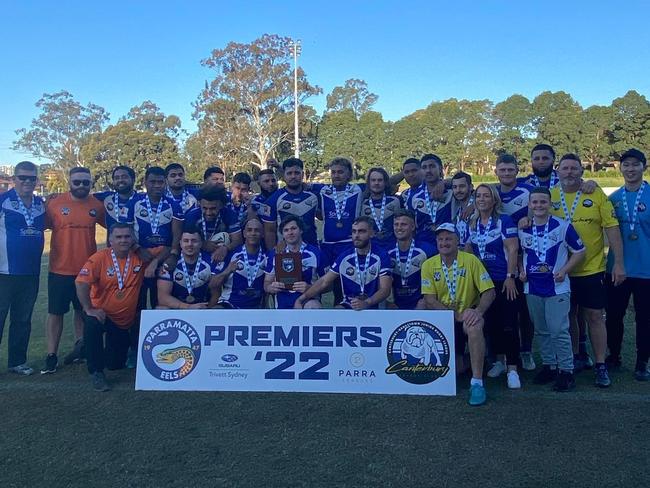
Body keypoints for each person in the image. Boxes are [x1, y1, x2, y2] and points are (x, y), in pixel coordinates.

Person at [551, 154, 625, 387]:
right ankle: (572, 359)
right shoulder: (550, 197)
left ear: (581, 172)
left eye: (574, 168)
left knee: (594, 317)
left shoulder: (595, 193)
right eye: (565, 168)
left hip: (591, 269)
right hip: (561, 271)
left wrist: (619, 263)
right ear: (558, 171)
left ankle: (601, 364)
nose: (570, 172)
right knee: (568, 317)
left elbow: (611, 229)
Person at [421, 223, 496, 406]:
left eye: (448, 239)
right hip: (442, 316)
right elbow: (430, 299)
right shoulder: (428, 264)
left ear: (457, 241)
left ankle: (477, 383)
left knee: (475, 325)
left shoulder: (470, 260)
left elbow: (489, 292)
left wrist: (477, 311)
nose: (444, 242)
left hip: (467, 314)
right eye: (440, 239)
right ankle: (469, 362)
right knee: (456, 370)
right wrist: (452, 315)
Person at [519, 187, 585, 391]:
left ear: (550, 204)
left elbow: (580, 251)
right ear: (529, 205)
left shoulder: (563, 226)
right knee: (541, 330)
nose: (539, 206)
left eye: (543, 202)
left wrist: (565, 270)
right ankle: (549, 365)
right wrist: (521, 270)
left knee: (558, 330)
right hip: (532, 287)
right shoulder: (523, 228)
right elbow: (520, 253)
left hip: (557, 287)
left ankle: (567, 370)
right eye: (535, 202)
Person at [41, 167, 106, 374]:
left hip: (87, 271)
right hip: (59, 269)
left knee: (83, 311)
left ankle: (81, 348)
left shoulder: (97, 205)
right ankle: (51, 355)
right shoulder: (54, 202)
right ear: (69, 181)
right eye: (77, 182)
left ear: (91, 183)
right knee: (55, 313)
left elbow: (114, 227)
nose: (81, 186)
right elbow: (39, 227)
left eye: (85, 182)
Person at [75, 223, 145, 391]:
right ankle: (96, 372)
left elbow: (162, 254)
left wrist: (156, 262)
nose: (123, 240)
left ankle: (84, 349)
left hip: (122, 322)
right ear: (110, 240)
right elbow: (81, 282)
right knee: (91, 322)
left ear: (133, 239)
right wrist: (88, 308)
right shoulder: (99, 258)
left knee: (115, 364)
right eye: (118, 237)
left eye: (127, 237)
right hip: (102, 314)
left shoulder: (140, 258)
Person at [465, 184, 521, 388]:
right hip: (482, 283)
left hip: (503, 280)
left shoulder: (503, 221)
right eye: (478, 196)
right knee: (490, 323)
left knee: (509, 324)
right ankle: (498, 361)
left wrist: (510, 276)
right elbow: (469, 249)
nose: (482, 199)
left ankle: (513, 368)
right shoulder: (472, 222)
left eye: (486, 196)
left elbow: (513, 249)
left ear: (494, 199)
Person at [606, 148, 650, 381]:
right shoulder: (613, 199)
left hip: (646, 270)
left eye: (636, 164)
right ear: (620, 168)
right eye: (627, 165)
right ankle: (614, 356)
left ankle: (642, 361)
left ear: (644, 167)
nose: (631, 169)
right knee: (613, 316)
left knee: (645, 318)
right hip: (617, 268)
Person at [0, 161, 45, 375]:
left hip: (30, 273)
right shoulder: (2, 202)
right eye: (22, 177)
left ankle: (17, 362)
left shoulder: (40, 204)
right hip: (4, 273)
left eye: (31, 178)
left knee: (22, 319)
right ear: (13, 179)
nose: (27, 181)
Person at [493, 154, 536, 370]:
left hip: (525, 258)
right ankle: (500, 355)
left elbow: (537, 215)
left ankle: (526, 350)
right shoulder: (492, 193)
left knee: (524, 309)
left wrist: (529, 220)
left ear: (517, 171)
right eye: (503, 170)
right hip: (502, 260)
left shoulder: (526, 192)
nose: (507, 173)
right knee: (503, 310)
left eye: (510, 169)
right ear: (496, 172)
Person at [294, 217, 392, 310]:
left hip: (373, 305)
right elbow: (324, 281)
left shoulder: (381, 255)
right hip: (349, 305)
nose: (356, 235)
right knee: (336, 312)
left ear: (372, 233)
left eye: (362, 231)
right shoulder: (345, 256)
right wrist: (301, 299)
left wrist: (367, 302)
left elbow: (385, 290)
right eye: (354, 231)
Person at [132, 166, 184, 309]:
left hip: (164, 257)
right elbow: (127, 231)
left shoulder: (174, 205)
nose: (156, 185)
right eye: (152, 182)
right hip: (139, 257)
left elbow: (176, 236)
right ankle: (136, 331)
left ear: (165, 183)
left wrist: (167, 257)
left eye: (160, 182)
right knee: (137, 303)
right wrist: (137, 249)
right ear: (145, 182)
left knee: (159, 302)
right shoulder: (134, 203)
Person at [265, 216, 325, 309]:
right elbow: (266, 283)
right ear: (283, 234)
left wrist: (310, 288)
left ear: (301, 230)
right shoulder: (275, 254)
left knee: (313, 306)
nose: (290, 233)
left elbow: (328, 286)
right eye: (286, 230)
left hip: (307, 303)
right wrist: (271, 287)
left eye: (293, 228)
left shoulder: (315, 253)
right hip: (282, 306)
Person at [213, 217, 269, 309]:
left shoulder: (267, 257)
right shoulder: (231, 255)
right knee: (215, 311)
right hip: (229, 304)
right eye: (249, 230)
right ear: (244, 233)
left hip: (256, 309)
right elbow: (212, 284)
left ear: (262, 234)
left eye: (257, 230)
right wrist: (227, 271)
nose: (253, 233)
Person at [262, 157, 319, 247]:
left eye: (297, 173)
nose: (293, 176)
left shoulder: (314, 196)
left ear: (302, 174)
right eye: (289, 173)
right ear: (284, 176)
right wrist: (272, 253)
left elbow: (322, 217)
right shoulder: (273, 199)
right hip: (286, 252)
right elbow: (269, 231)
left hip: (312, 249)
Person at [387, 210, 435, 309]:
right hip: (394, 306)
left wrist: (425, 300)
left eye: (403, 224)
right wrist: (389, 302)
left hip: (421, 305)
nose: (399, 228)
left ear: (412, 227)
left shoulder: (428, 250)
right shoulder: (386, 252)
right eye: (396, 224)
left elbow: (436, 279)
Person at [157, 228, 215, 309]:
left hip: (203, 307)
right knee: (160, 309)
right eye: (186, 241)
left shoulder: (211, 261)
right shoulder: (170, 263)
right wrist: (188, 306)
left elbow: (216, 291)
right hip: (178, 307)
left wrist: (209, 308)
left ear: (201, 243)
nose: (190, 244)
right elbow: (162, 298)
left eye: (194, 241)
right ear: (180, 243)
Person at [405, 153, 453, 252]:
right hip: (423, 246)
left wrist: (443, 182)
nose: (428, 170)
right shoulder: (414, 197)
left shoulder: (451, 192)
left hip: (448, 244)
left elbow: (464, 183)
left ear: (440, 169)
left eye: (432, 166)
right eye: (424, 167)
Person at [183, 185, 243, 262]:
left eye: (213, 208)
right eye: (204, 208)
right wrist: (203, 244)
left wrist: (226, 248)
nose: (208, 213)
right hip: (198, 255)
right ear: (199, 204)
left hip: (222, 255)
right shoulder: (191, 216)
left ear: (221, 205)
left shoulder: (230, 214)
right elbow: (184, 241)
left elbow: (238, 241)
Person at [362, 167, 402, 250]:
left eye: (380, 180)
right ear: (368, 183)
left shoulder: (396, 201)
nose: (376, 183)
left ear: (385, 182)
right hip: (371, 248)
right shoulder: (362, 203)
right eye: (373, 180)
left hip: (393, 247)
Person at [94, 165, 138, 231]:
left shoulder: (142, 200)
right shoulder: (106, 197)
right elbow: (83, 197)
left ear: (133, 180)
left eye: (124, 177)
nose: (120, 180)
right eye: (117, 178)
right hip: (113, 241)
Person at [451, 171, 474, 245]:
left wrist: (475, 205)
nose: (458, 190)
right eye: (455, 187)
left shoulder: (480, 205)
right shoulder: (456, 209)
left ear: (471, 187)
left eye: (462, 186)